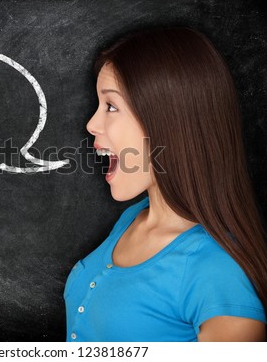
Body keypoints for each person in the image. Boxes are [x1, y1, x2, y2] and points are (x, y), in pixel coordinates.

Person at [64, 26, 267, 342]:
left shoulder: (218, 271)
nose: (91, 124)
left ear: (167, 120)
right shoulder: (132, 218)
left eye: (111, 106)